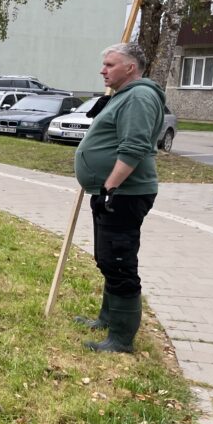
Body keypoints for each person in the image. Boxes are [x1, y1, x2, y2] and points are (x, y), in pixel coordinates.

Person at [73, 42, 163, 353]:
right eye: (104, 64)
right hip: (112, 193)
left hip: (124, 194)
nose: (103, 70)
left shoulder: (139, 96)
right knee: (107, 259)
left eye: (110, 64)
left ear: (131, 68)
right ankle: (107, 318)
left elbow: (134, 148)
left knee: (120, 262)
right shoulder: (124, 95)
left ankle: (122, 339)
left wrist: (109, 188)